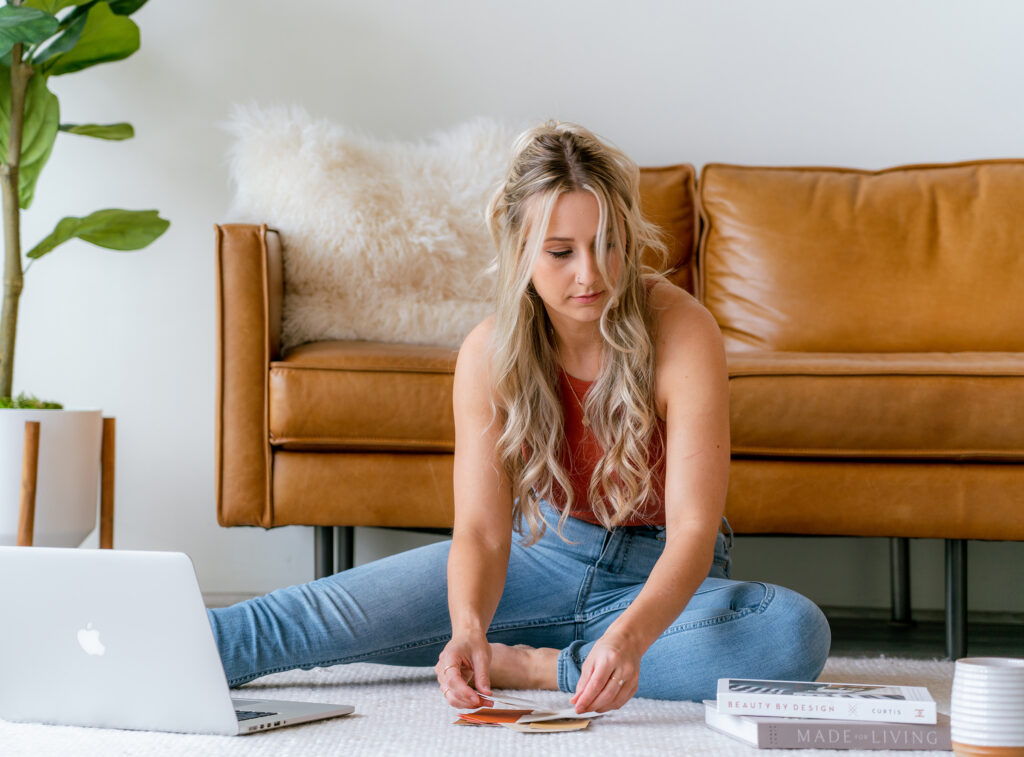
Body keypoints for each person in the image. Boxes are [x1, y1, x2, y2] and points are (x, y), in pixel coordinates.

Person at [207, 121, 831, 715]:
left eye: (609, 245)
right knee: (292, 621)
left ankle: (549, 666)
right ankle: (116, 651)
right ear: (520, 251)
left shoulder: (683, 328)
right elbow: (481, 533)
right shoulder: (488, 351)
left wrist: (629, 641)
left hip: (664, 577)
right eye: (560, 252)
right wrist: (469, 630)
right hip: (541, 559)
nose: (591, 274)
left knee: (789, 634)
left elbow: (693, 531)